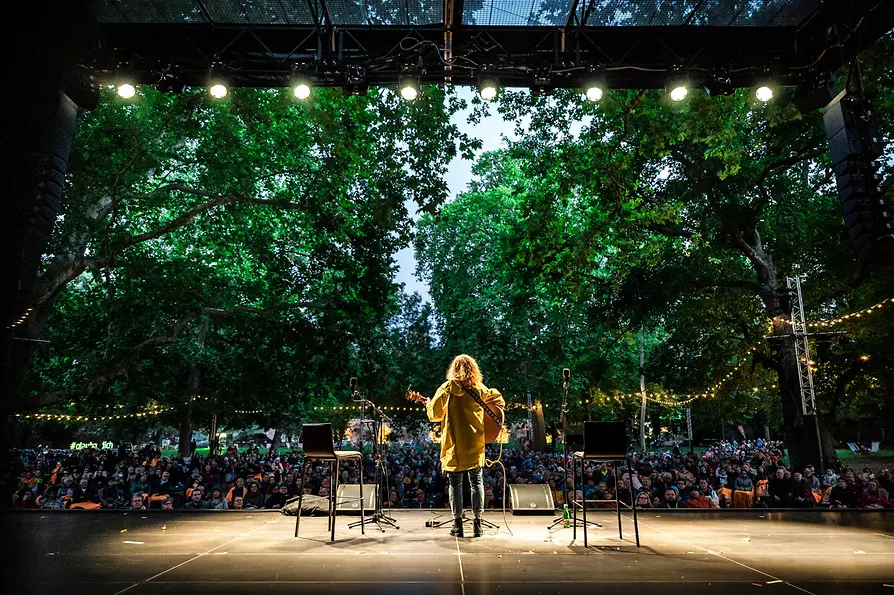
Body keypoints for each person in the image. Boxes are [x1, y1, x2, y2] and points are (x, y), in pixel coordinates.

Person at [424, 354, 505, 538]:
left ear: (453, 369)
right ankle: (478, 524)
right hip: (475, 443)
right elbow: (499, 401)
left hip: (454, 445)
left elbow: (434, 415)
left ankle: (457, 525)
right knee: (477, 482)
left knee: (455, 485)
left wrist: (429, 405)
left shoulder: (446, 389)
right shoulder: (479, 388)